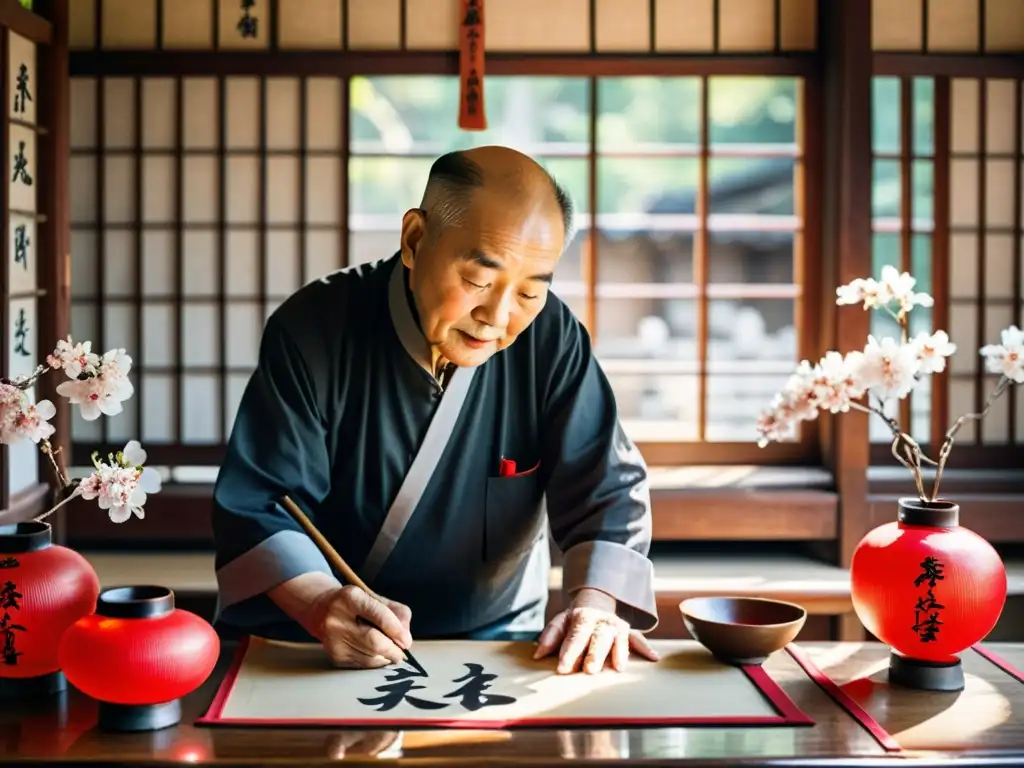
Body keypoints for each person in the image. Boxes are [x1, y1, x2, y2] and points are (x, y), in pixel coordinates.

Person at [211, 145, 659, 676]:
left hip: (496, 643)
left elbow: (606, 487)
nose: (498, 316)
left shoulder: (551, 338)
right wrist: (316, 603)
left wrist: (595, 605)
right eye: (478, 281)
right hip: (315, 639)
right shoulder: (313, 329)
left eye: (529, 292)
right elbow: (263, 500)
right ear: (415, 239)